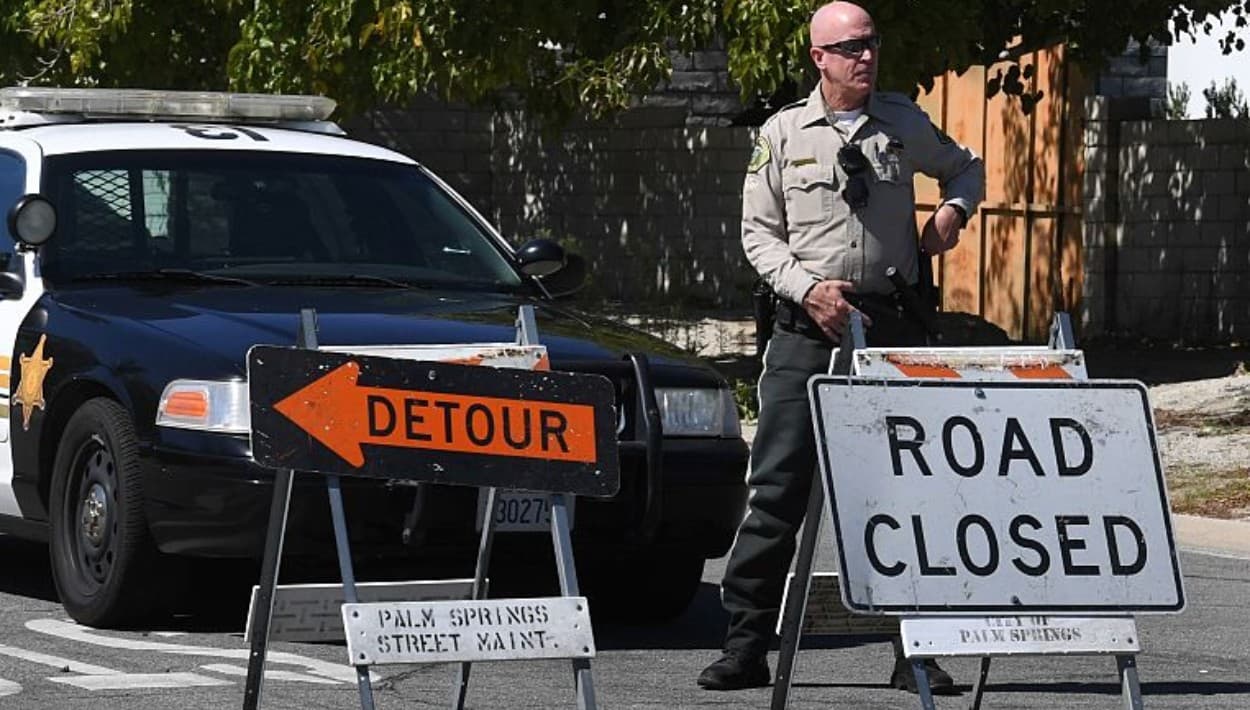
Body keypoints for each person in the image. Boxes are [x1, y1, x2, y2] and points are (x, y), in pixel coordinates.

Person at [697, 0, 985, 695]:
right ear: (818, 58)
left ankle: (915, 649)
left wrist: (953, 211)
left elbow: (966, 167)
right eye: (850, 46)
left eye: (872, 43)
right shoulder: (783, 133)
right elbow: (758, 234)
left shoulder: (903, 123)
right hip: (808, 334)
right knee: (777, 492)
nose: (865, 55)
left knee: (905, 493)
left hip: (890, 334)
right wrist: (807, 289)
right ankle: (745, 646)